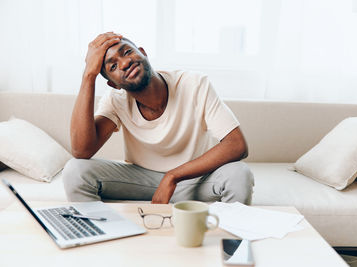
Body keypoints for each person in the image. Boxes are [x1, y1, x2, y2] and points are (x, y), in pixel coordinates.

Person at [62, 32, 254, 204]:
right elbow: (82, 151)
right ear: (113, 84)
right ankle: (103, 234)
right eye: (113, 65)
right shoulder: (116, 99)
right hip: (141, 181)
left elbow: (236, 145)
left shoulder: (193, 84)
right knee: (75, 171)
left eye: (128, 52)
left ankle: (229, 240)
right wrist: (89, 75)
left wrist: (173, 176)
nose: (125, 63)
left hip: (195, 179)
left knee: (239, 174)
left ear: (143, 52)